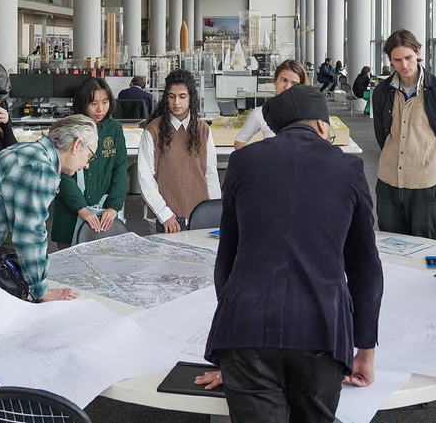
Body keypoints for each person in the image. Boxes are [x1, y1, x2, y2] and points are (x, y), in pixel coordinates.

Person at [203, 84, 384, 422]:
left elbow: (226, 259)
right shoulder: (349, 169)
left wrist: (229, 344)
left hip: (246, 329)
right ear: (321, 125)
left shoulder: (243, 162)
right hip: (321, 331)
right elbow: (365, 268)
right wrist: (365, 348)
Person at [0, 115, 99, 302]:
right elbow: (30, 234)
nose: (86, 165)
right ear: (76, 145)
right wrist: (41, 290)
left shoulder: (29, 150)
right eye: (89, 156)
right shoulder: (40, 167)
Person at [372, 28, 436, 240]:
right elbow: (382, 135)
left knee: (424, 247)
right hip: (388, 182)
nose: (404, 65)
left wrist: (434, 164)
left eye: (409, 57)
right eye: (398, 60)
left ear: (418, 53)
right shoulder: (382, 92)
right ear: (390, 60)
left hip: (424, 183)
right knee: (391, 248)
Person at [138, 69, 220, 233]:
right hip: (165, 218)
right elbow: (145, 176)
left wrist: (217, 210)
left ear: (190, 98)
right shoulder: (153, 130)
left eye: (182, 96)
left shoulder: (203, 129)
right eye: (171, 96)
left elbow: (210, 173)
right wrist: (164, 213)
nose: (176, 102)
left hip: (200, 214)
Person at [52, 78, 127, 248]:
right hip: (72, 211)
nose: (100, 109)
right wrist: (81, 208)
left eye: (105, 102)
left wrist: (114, 206)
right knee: (69, 264)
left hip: (105, 211)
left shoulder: (114, 129)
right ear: (83, 103)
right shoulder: (69, 128)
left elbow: (120, 169)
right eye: (94, 103)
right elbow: (62, 173)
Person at [233, 59, 308, 150]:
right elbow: (239, 143)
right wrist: (260, 160)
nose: (287, 87)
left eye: (294, 83)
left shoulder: (309, 114)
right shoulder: (260, 113)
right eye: (284, 80)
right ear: (275, 80)